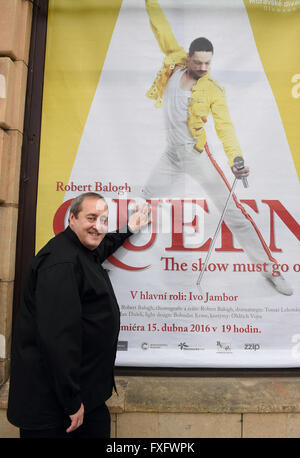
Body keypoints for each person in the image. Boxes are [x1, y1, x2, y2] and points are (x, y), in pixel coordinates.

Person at [143, 0, 292, 295]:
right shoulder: (174, 62)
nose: (202, 67)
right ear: (188, 57)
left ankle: (271, 270)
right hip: (170, 155)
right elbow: (160, 26)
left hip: (197, 156)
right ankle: (103, 259)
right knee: (142, 202)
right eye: (198, 62)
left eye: (207, 63)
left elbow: (225, 128)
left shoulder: (212, 90)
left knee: (233, 212)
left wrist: (237, 159)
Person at [7, 192, 151, 438]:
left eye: (103, 220)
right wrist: (71, 401)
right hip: (56, 409)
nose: (98, 226)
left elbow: (100, 246)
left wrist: (128, 229)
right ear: (71, 218)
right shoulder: (61, 264)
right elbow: (58, 340)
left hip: (80, 397)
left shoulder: (78, 250)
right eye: (91, 218)